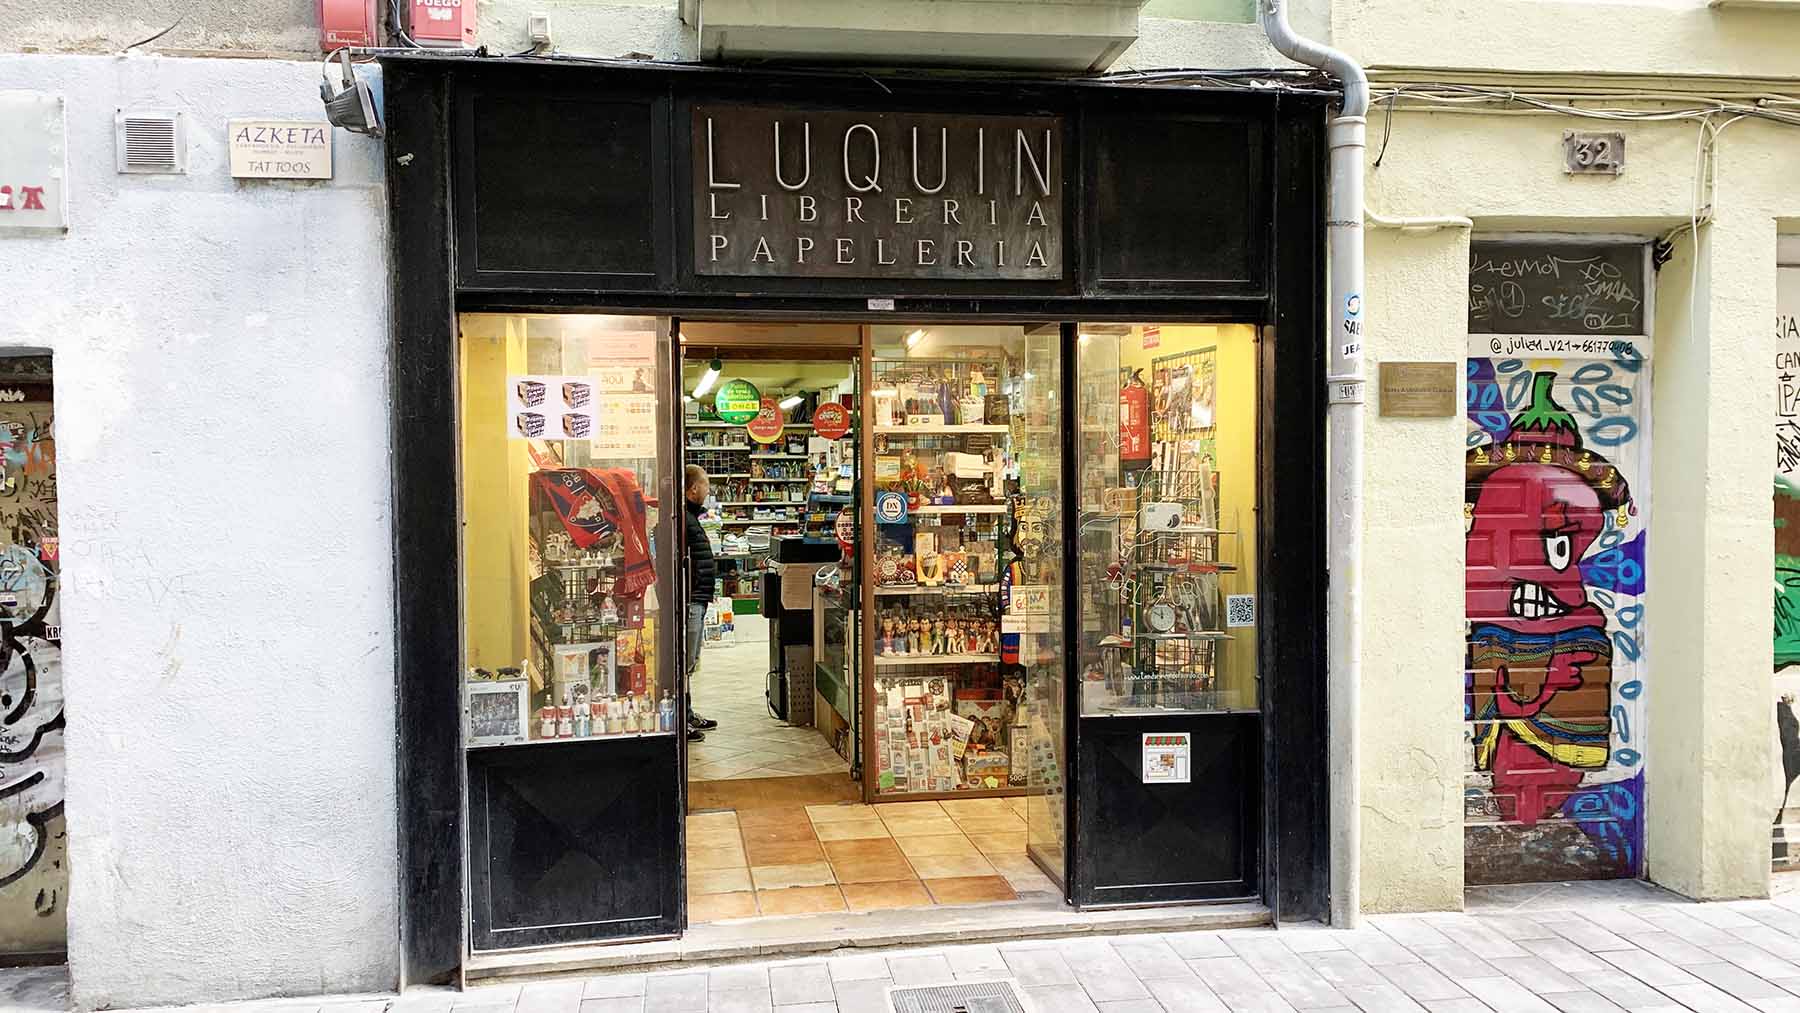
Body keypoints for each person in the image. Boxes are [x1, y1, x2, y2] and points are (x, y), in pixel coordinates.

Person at [683, 464, 719, 741]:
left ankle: (688, 712)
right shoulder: (684, 518)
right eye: (705, 484)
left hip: (698, 597)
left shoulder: (690, 517)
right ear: (694, 488)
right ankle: (683, 719)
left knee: (691, 660)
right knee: (686, 661)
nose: (708, 489)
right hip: (691, 599)